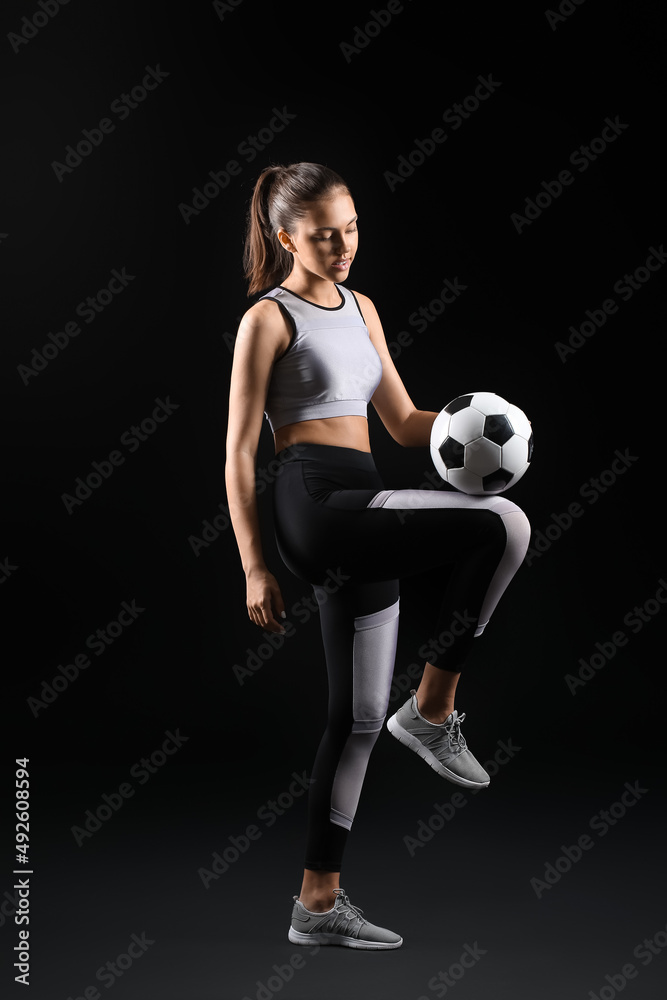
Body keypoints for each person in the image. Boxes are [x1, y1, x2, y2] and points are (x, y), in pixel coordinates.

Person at [225, 162, 531, 949]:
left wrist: (488, 419)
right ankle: (431, 712)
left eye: (351, 227)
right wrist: (254, 564)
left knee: (355, 720)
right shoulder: (267, 318)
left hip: (364, 502)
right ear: (284, 235)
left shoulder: (362, 308)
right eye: (324, 234)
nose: (342, 244)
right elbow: (234, 454)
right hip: (316, 505)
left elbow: (400, 423)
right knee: (503, 526)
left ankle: (314, 907)